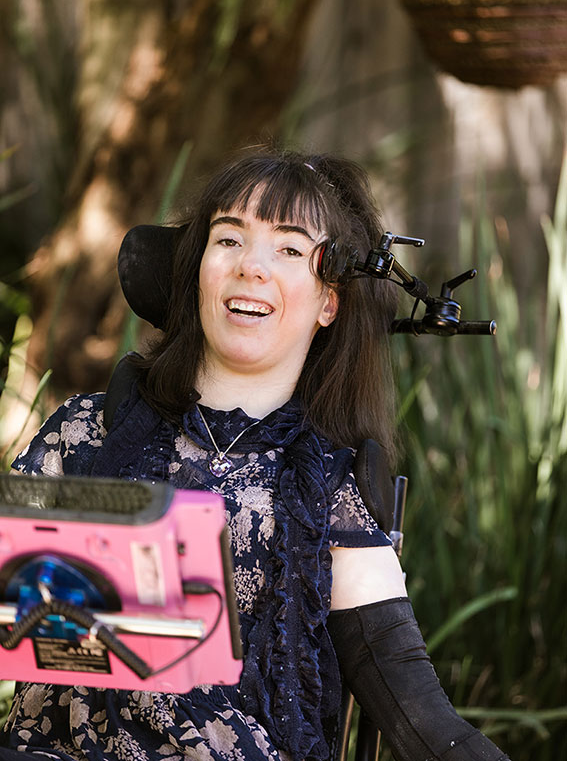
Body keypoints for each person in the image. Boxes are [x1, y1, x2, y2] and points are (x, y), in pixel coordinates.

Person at [0, 149, 510, 761]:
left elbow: (422, 719)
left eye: (290, 249)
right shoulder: (84, 435)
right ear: (198, 271)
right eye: (228, 239)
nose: (251, 267)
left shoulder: (332, 494)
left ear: (329, 301)